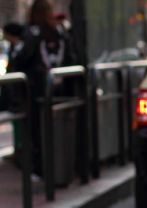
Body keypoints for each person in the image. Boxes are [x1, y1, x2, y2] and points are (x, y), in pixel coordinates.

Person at [12, 0, 77, 177]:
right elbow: (71, 57)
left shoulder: (32, 33)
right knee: (54, 130)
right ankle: (57, 167)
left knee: (36, 132)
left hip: (37, 92)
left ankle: (40, 169)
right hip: (59, 91)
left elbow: (20, 59)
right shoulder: (59, 33)